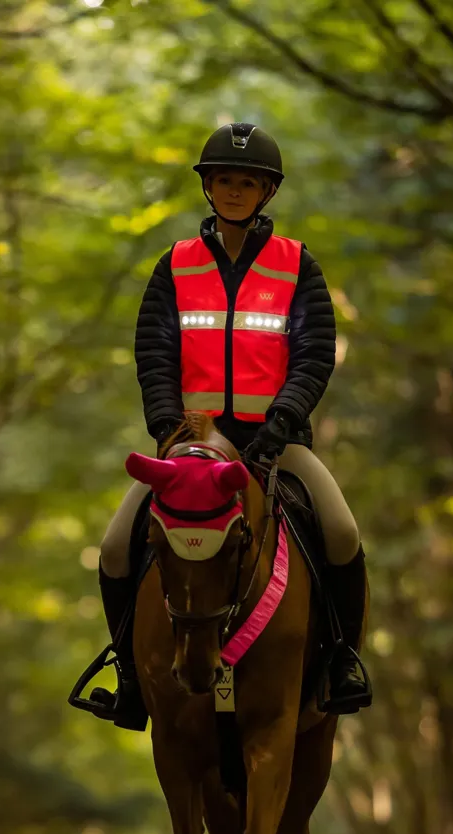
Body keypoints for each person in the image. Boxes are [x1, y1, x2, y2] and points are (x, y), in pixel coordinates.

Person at [91, 122, 372, 729]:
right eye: (225, 181)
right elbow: (154, 352)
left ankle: (342, 662)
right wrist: (168, 426)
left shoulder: (298, 265)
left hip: (275, 444)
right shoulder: (175, 265)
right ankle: (130, 676)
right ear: (208, 188)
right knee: (116, 547)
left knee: (343, 533)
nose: (236, 191)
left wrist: (282, 421)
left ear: (267, 190)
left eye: (248, 182)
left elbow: (315, 354)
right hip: (191, 448)